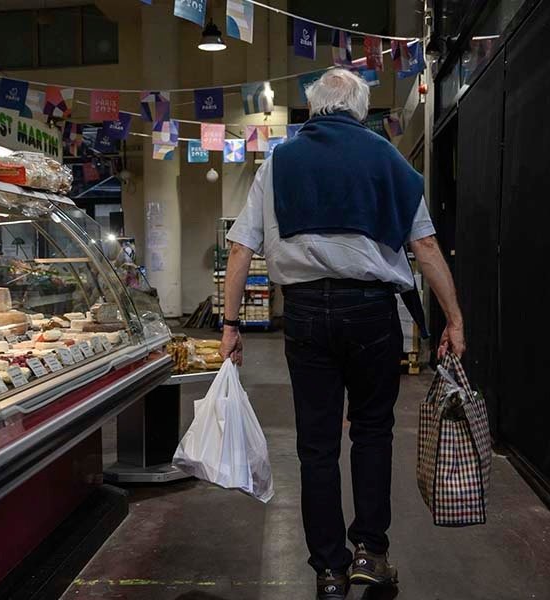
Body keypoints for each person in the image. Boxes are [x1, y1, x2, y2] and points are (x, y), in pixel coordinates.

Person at [220, 68, 466, 600]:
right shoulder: (388, 160)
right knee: (373, 433)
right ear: (361, 109)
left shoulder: (279, 162)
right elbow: (424, 248)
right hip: (372, 313)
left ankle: (329, 572)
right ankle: (371, 557)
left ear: (313, 108)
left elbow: (241, 248)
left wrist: (231, 323)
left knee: (316, 446)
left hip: (305, 314)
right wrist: (454, 318)